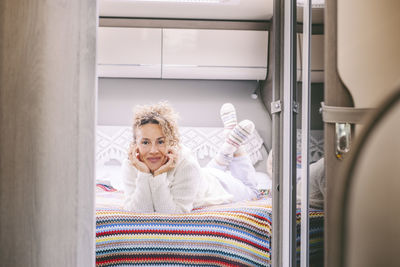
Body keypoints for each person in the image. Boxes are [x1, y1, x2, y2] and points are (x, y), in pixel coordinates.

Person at [121, 102, 260, 214]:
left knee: (252, 191)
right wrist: (144, 173)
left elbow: (172, 213)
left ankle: (233, 146)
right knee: (206, 172)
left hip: (218, 185)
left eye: (161, 141)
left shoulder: (187, 164)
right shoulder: (131, 164)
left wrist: (159, 174)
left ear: (171, 142)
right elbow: (140, 211)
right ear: (135, 144)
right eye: (145, 142)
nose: (153, 150)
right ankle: (228, 147)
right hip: (202, 177)